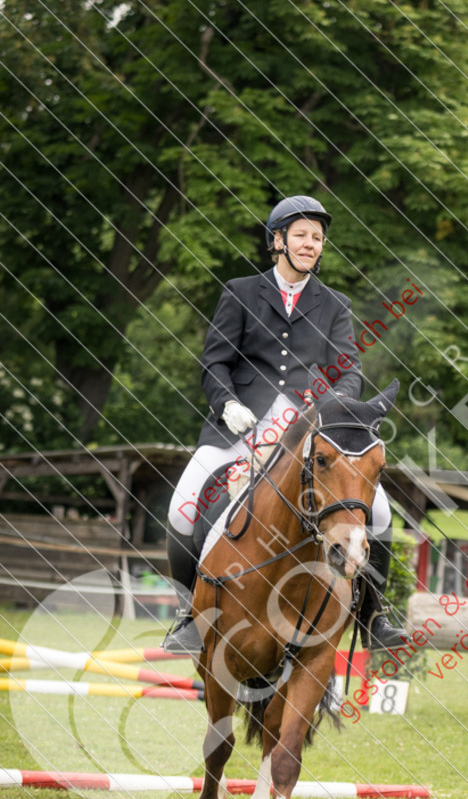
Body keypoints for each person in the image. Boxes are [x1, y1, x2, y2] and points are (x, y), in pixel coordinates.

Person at [163, 194, 406, 654]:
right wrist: (228, 403)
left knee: (380, 511)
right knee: (183, 505)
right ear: (277, 241)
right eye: (301, 235)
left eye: (317, 237)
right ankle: (187, 616)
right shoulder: (239, 291)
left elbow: (349, 369)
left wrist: (334, 405)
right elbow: (215, 362)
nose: (311, 244)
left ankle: (375, 616)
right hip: (241, 427)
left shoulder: (335, 304)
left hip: (306, 433)